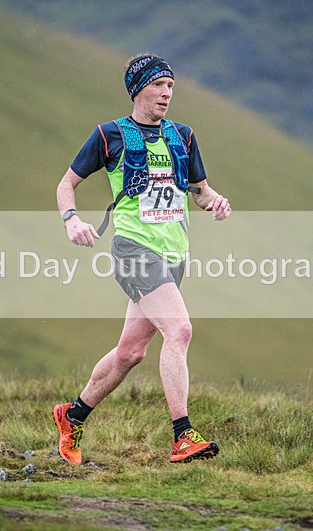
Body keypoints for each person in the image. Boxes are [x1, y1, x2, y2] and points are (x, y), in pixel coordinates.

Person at [54, 54, 231, 465]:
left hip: (174, 255)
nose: (166, 94)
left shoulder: (183, 136)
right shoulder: (109, 135)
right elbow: (66, 184)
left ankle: (72, 415)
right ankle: (183, 435)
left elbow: (200, 191)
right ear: (137, 90)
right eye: (158, 86)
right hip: (134, 250)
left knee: (131, 352)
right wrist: (71, 220)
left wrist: (215, 201)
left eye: (170, 87)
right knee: (180, 330)